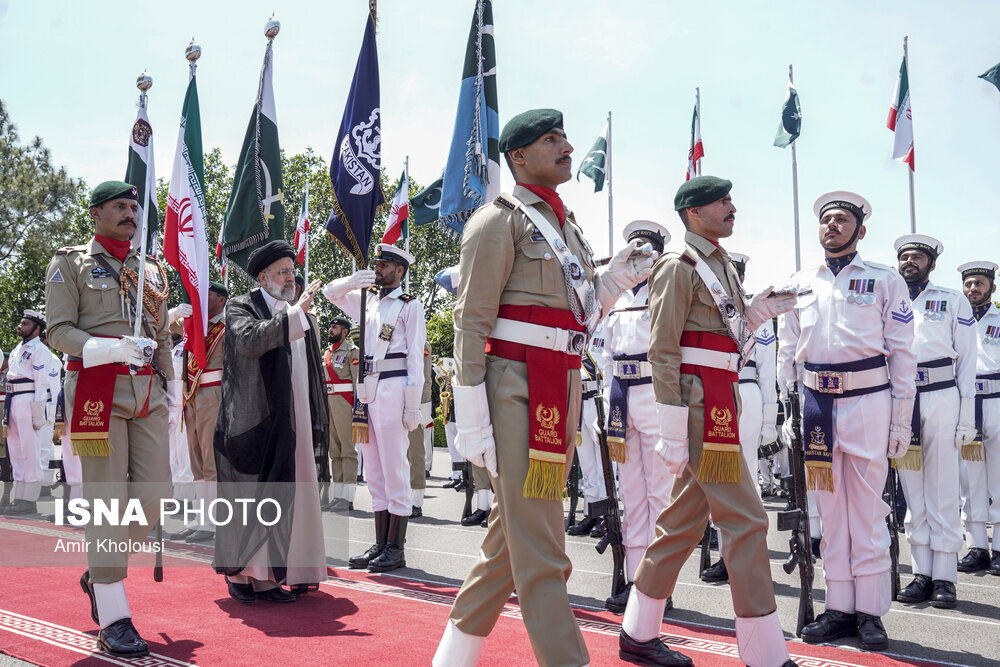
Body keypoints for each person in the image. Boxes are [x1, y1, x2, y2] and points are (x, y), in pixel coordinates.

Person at [431, 108, 654, 667]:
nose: (566, 146)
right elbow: (471, 323)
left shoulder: (567, 226)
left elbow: (572, 317)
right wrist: (473, 417)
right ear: (518, 156)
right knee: (544, 552)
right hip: (515, 390)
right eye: (551, 139)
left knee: (511, 542)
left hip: (560, 384)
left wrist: (611, 282)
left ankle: (450, 659)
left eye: (563, 137)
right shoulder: (496, 221)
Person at [619, 176, 796, 667]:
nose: (731, 206)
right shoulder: (679, 266)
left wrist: (757, 313)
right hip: (699, 406)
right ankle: (764, 653)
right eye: (722, 201)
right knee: (746, 520)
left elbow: (725, 338)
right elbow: (663, 348)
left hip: (721, 398)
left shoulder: (719, 265)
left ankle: (638, 631)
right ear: (694, 212)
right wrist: (672, 426)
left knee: (680, 524)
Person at [777, 191, 916, 652]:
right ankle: (838, 607)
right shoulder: (799, 282)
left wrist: (900, 424)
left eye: (841, 220)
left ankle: (870, 612)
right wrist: (788, 411)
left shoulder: (884, 280)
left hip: (868, 402)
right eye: (826, 220)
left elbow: (902, 356)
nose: (832, 226)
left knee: (868, 510)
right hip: (817, 404)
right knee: (829, 512)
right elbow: (786, 354)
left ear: (860, 229)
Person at [45, 180, 175, 657]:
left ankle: (99, 573)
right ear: (96, 213)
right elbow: (58, 330)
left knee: (157, 496)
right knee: (106, 500)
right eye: (119, 206)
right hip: (96, 389)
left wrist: (172, 381)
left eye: (134, 207)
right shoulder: (69, 263)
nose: (130, 213)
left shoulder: (150, 270)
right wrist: (106, 348)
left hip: (147, 391)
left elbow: (160, 333)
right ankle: (115, 617)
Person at [212, 240, 328, 603]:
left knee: (294, 490)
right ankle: (249, 578)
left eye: (293, 272)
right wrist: (296, 316)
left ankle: (285, 572)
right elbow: (249, 342)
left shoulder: (298, 312)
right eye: (283, 272)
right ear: (262, 277)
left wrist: (299, 315)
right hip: (255, 423)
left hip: (294, 423)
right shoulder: (241, 306)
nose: (291, 278)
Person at [323, 243, 427, 572]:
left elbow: (415, 359)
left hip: (395, 387)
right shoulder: (367, 302)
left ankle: (396, 547)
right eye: (377, 264)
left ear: (400, 271)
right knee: (375, 470)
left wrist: (412, 405)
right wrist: (353, 281)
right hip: (367, 388)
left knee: (395, 466)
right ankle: (380, 543)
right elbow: (330, 293)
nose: (378, 269)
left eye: (384, 265)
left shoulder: (409, 306)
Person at [891, 235, 976, 609]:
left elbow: (969, 362)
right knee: (912, 491)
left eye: (918, 257)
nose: (910, 261)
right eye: (905, 256)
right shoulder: (887, 298)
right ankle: (920, 572)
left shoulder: (952, 300)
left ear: (932, 263)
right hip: (901, 397)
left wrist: (967, 416)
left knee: (942, 488)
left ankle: (945, 577)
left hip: (942, 394)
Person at [601, 220, 675, 613]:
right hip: (620, 396)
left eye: (646, 246)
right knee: (631, 495)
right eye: (633, 246)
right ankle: (634, 579)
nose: (638, 251)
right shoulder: (616, 297)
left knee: (659, 494)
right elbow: (604, 353)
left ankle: (659, 584)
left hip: (655, 393)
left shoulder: (666, 291)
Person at [701, 252, 779, 582]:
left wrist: (768, 420)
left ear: (741, 278)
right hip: (709, 394)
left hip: (744, 393)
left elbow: (767, 371)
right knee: (717, 478)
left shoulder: (756, 315)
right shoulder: (702, 309)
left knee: (744, 477)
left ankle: (749, 552)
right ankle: (726, 553)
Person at [956, 261, 1000, 575]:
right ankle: (976, 546)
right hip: (967, 404)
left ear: (992, 288)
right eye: (969, 283)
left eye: (980, 283)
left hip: (997, 401)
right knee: (970, 481)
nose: (974, 289)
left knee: (998, 479)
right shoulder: (955, 317)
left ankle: (998, 546)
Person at [177, 282, 227, 544]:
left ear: (221, 299)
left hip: (213, 392)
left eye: (207, 294)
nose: (201, 298)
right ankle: (201, 520)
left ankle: (213, 522)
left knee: (210, 460)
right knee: (196, 460)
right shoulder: (197, 325)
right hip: (192, 393)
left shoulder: (227, 326)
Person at [2, 310, 50, 515]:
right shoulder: (16, 349)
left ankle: (29, 499)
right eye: (21, 323)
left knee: (30, 450)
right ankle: (19, 497)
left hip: (28, 398)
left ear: (37, 328)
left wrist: (38, 412)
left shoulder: (40, 349)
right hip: (13, 399)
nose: (20, 326)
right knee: (16, 450)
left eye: (25, 324)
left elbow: (41, 383)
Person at [566, 325, 608, 538]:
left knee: (604, 464)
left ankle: (606, 515)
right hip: (579, 399)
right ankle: (591, 511)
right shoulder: (577, 329)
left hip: (599, 399)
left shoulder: (604, 327)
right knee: (587, 463)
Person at [321, 315, 360, 512]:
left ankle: (348, 497)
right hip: (329, 403)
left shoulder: (353, 352)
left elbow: (357, 383)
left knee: (347, 451)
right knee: (334, 452)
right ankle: (338, 495)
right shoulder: (327, 352)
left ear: (345, 332)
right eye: (330, 327)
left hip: (345, 404)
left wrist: (358, 409)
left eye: (335, 327)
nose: (330, 329)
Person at [408, 343, 433, 518]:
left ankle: (416, 501)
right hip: (393, 400)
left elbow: (425, 378)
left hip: (414, 404)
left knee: (415, 454)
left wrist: (423, 407)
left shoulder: (421, 343)